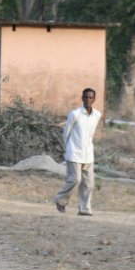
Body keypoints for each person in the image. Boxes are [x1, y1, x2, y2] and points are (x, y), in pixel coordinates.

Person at [55, 88, 102, 216]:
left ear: (94, 99)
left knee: (88, 183)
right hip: (74, 153)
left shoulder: (97, 115)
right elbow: (66, 133)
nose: (88, 99)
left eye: (90, 97)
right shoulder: (75, 114)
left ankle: (84, 209)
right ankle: (60, 199)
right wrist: (68, 149)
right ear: (82, 98)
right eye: (86, 97)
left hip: (88, 154)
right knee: (75, 179)